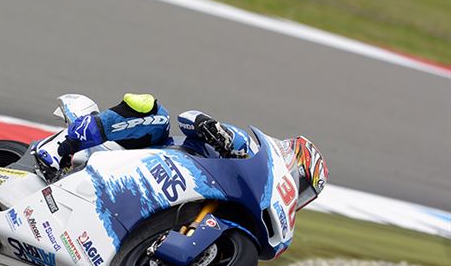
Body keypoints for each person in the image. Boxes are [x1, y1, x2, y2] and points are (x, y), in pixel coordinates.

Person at [38, 93, 328, 209]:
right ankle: (61, 147)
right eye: (301, 184)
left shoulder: (252, 201)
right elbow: (189, 118)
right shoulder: (246, 149)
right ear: (289, 159)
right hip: (155, 157)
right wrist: (213, 131)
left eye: (305, 194)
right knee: (154, 113)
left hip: (155, 197)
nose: (298, 194)